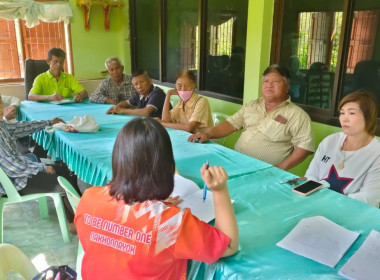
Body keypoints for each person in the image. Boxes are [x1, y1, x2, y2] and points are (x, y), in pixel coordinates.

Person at [75, 118, 238, 279]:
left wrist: (156, 207)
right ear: (166, 165)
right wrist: (219, 190)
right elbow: (229, 245)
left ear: (118, 157)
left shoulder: (89, 198)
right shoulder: (170, 224)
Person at [189, 64, 315, 170]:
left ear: (287, 86)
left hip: (264, 171)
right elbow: (231, 124)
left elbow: (304, 147)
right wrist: (208, 134)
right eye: (266, 81)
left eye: (275, 81)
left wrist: (280, 168)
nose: (269, 85)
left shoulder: (297, 115)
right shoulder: (252, 105)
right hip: (236, 163)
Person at [0, 95, 79, 231]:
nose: (1, 109)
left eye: (0, 104)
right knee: (63, 185)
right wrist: (42, 167)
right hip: (15, 181)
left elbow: (22, 127)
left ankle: (81, 217)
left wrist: (48, 122)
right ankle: (75, 224)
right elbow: (11, 167)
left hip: (23, 172)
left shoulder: (2, 125)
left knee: (68, 173)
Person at [305, 90, 380, 207]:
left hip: (349, 212)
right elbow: (311, 175)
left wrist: (328, 200)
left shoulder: (376, 153)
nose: (344, 119)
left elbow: (370, 199)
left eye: (351, 113)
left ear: (368, 116)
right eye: (342, 113)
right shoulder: (330, 141)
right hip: (316, 203)